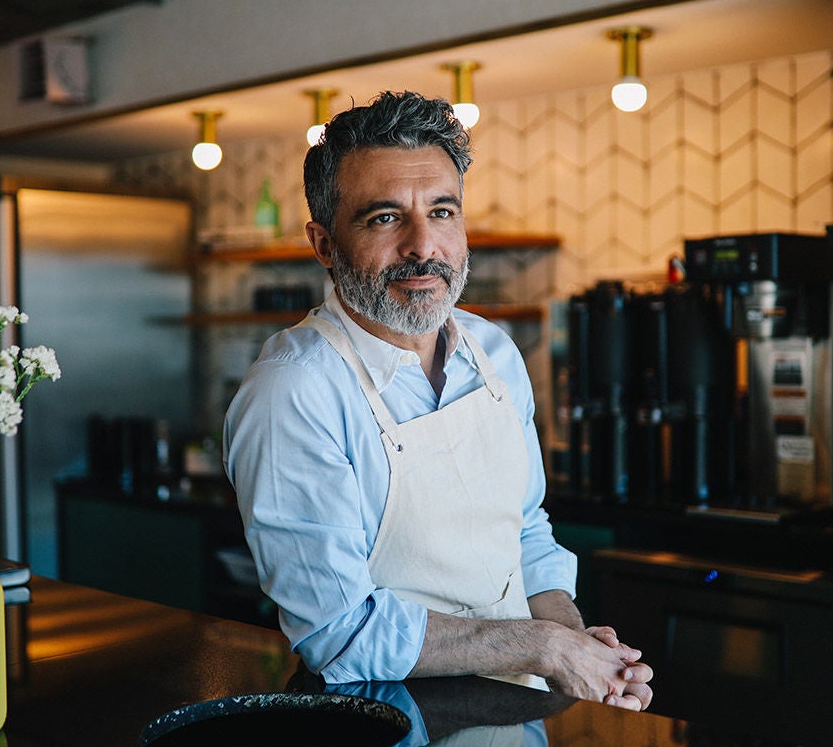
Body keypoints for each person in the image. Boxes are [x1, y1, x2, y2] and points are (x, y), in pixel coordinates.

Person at [223, 90, 652, 709]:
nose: (423, 246)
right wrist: (548, 650)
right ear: (323, 244)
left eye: (443, 212)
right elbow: (340, 634)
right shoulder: (293, 390)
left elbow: (526, 532)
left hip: (514, 708)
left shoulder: (494, 353)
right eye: (384, 218)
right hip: (389, 719)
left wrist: (574, 636)